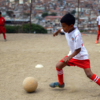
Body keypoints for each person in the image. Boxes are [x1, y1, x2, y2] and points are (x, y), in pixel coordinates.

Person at [49, 13, 100, 88]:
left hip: (82, 56)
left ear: (71, 26)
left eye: (64, 26)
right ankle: (60, 84)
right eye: (62, 26)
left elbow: (78, 49)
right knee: (58, 66)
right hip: (72, 55)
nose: (62, 28)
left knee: (89, 74)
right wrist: (57, 32)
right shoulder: (67, 29)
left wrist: (69, 57)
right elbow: (61, 30)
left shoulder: (76, 34)